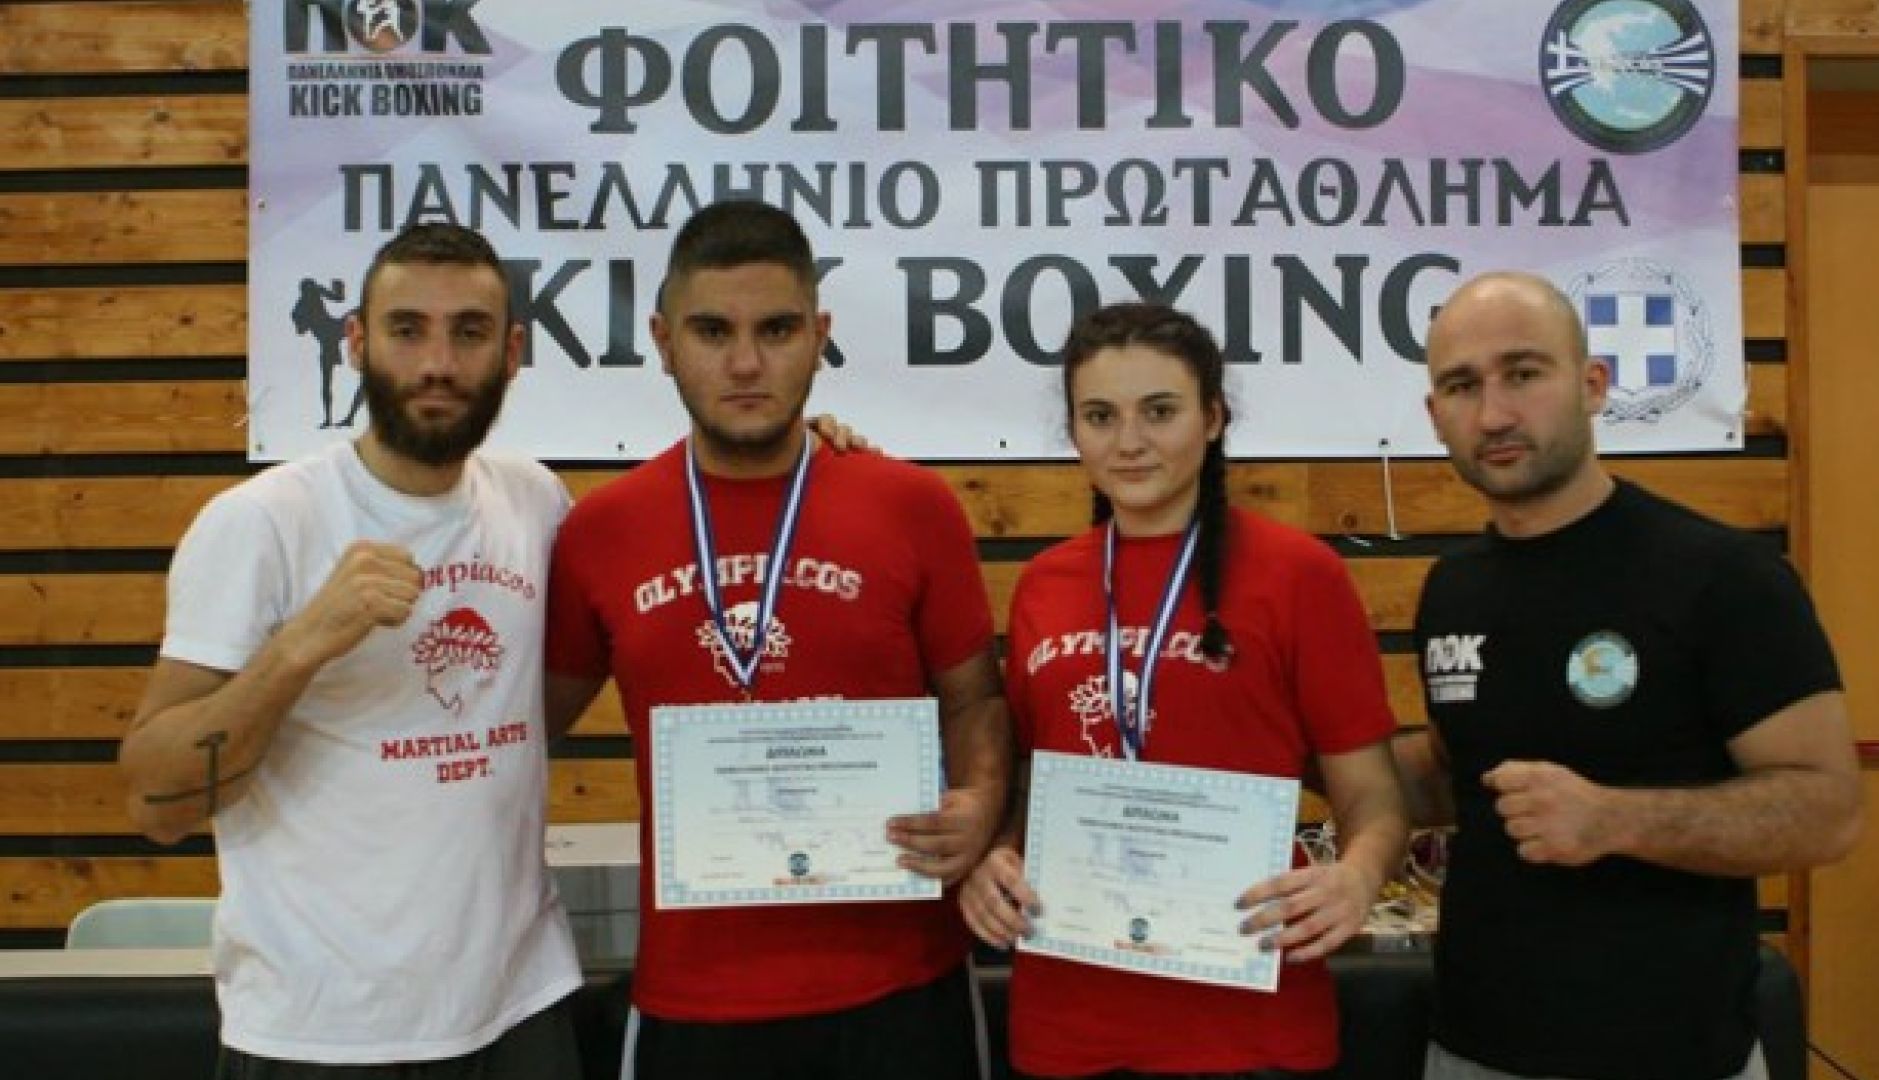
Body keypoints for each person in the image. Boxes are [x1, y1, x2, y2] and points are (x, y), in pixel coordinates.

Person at [541, 199, 1012, 1080]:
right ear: (663, 340)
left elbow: (975, 697)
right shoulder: (601, 530)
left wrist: (982, 800)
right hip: (695, 1004)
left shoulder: (911, 505)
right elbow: (519, 726)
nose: (746, 363)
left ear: (820, 335)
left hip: (904, 988)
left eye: (778, 329)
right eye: (712, 331)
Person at [119, 224, 585, 1077]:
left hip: (519, 1008)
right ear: (358, 342)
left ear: (512, 351)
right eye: (408, 330)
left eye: (469, 332)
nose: (438, 363)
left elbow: (537, 703)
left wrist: (802, 452)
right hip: (321, 1030)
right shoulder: (263, 522)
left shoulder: (534, 500)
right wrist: (300, 646)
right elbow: (157, 803)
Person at [1398, 272, 1864, 1080]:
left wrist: (1615, 819)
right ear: (1435, 414)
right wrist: (1288, 748)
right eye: (1463, 386)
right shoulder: (1452, 588)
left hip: (1674, 1056)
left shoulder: (1721, 575)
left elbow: (1829, 811)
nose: (1494, 414)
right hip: (1473, 1049)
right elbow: (1457, 775)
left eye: (1523, 373)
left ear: (1592, 385)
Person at [959, 302, 1410, 1079]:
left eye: (1159, 411)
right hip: (1069, 1024)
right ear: (1074, 431)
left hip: (1249, 1028)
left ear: (1213, 417)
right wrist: (992, 861)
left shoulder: (1300, 576)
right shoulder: (1043, 586)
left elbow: (1375, 798)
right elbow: (1030, 790)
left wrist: (1358, 875)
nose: (1129, 441)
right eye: (1100, 416)